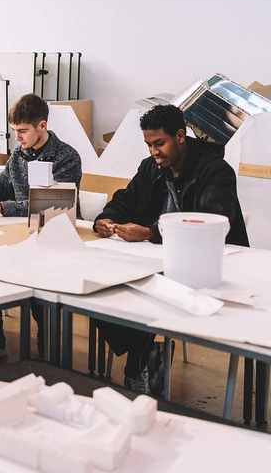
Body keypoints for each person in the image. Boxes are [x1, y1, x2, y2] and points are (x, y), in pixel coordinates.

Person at [93, 103, 248, 393]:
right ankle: (143, 354)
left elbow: (207, 224)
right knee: (106, 285)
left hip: (212, 264)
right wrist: (105, 218)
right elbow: (126, 198)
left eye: (159, 143)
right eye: (149, 145)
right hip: (158, 260)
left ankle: (144, 357)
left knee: (143, 293)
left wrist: (150, 232)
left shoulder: (216, 172)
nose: (154, 151)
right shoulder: (151, 167)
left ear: (180, 136)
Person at [0, 94, 82, 361]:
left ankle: (50, 347)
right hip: (19, 231)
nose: (18, 138)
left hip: (55, 236)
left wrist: (3, 206)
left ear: (42, 126)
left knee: (40, 287)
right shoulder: (18, 154)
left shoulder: (67, 157)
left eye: (23, 131)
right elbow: (1, 185)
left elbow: (50, 204)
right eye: (14, 131)